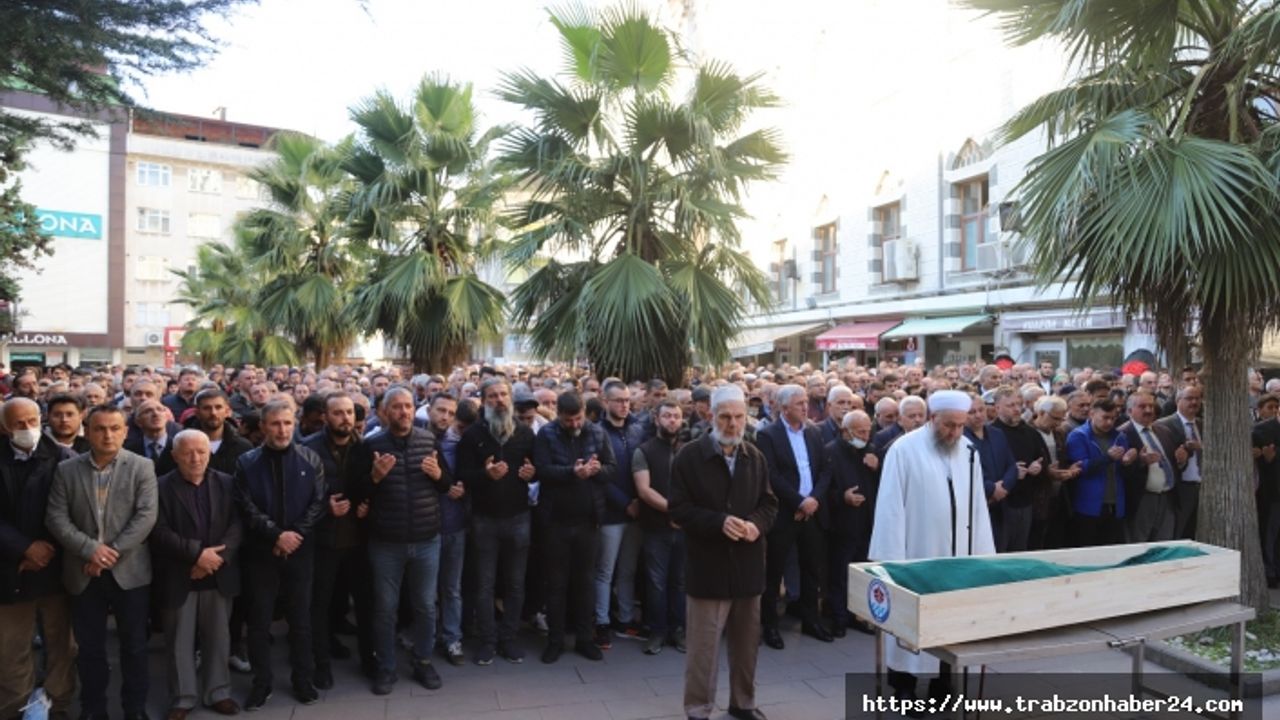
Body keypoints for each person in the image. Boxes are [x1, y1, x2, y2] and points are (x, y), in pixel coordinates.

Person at [868, 390, 995, 702]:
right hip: (916, 554)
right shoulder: (904, 450)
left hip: (957, 559)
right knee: (910, 625)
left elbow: (978, 505)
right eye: (948, 425)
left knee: (947, 625)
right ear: (931, 418)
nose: (954, 432)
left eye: (960, 426)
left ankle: (942, 685)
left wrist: (982, 559)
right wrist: (891, 563)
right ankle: (904, 688)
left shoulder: (968, 451)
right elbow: (890, 508)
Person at [670, 385, 777, 720]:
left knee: (746, 645)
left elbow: (769, 503)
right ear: (710, 416)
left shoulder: (754, 455)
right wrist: (718, 522)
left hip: (747, 565)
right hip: (708, 566)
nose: (733, 424)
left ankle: (743, 703)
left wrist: (755, 525)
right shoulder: (689, 456)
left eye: (739, 417)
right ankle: (699, 709)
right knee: (703, 649)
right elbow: (678, 510)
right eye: (726, 417)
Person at [45, 404, 158, 720]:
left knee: (134, 647)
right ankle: (94, 709)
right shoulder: (67, 469)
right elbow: (56, 517)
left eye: (114, 428)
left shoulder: (142, 467)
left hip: (131, 573)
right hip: (83, 572)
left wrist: (110, 554)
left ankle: (134, 709)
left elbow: (146, 517)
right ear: (87, 430)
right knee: (90, 649)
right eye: (100, 428)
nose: (107, 435)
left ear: (125, 431)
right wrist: (91, 550)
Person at [234, 398, 327, 710]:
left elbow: (318, 503)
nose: (282, 429)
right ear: (263, 427)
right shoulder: (246, 462)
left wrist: (294, 536)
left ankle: (303, 679)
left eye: (287, 423)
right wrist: (276, 535)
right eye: (275, 423)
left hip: (300, 552)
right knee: (259, 622)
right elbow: (245, 506)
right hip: (261, 553)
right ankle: (262, 683)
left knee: (300, 619)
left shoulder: (310, 459)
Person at [361, 386, 450, 694]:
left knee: (426, 605)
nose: (403, 412)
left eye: (408, 406)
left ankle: (423, 661)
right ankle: (386, 667)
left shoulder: (429, 441)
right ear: (385, 412)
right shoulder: (370, 445)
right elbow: (357, 494)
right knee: (386, 608)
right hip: (387, 542)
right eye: (396, 407)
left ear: (415, 409)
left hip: (427, 540)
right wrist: (373, 478)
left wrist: (439, 474)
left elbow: (446, 485)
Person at [150, 430, 243, 719]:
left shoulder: (228, 483)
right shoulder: (160, 486)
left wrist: (216, 558)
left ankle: (218, 692)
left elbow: (238, 525)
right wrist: (196, 554)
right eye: (188, 452)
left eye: (201, 451)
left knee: (218, 637)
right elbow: (157, 530)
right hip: (180, 573)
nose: (195, 458)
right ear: (175, 455)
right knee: (179, 640)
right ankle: (183, 697)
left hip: (218, 572)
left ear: (209, 453)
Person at [0, 398, 77, 720]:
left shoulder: (63, 458)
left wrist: (46, 548)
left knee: (62, 646)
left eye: (33, 421)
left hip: (55, 570)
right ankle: (14, 709)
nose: (28, 429)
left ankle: (58, 705)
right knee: (11, 650)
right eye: (19, 423)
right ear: (5, 427)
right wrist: (23, 548)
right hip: (10, 570)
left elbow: (74, 511)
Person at [457, 378, 537, 665]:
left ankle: (509, 638)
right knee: (484, 584)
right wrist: (485, 475)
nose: (499, 400)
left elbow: (535, 468)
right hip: (484, 520)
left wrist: (532, 474)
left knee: (515, 584)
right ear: (484, 400)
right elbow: (463, 474)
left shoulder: (525, 433)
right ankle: (488, 640)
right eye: (493, 396)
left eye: (504, 394)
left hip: (518, 518)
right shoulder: (473, 435)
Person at [533, 391, 616, 664]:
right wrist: (572, 472)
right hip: (555, 521)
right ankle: (555, 640)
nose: (574, 424)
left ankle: (584, 638)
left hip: (587, 521)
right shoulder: (546, 434)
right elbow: (542, 470)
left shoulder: (597, 433)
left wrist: (595, 471)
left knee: (585, 582)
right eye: (569, 420)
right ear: (558, 416)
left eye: (578, 419)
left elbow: (611, 467)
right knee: (555, 583)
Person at [301, 392, 376, 686]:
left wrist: (368, 500)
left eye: (349, 413)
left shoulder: (366, 447)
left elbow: (371, 487)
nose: (345, 418)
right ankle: (321, 663)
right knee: (320, 605)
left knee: (366, 604)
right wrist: (324, 508)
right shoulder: (307, 449)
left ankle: (369, 660)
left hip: (359, 540)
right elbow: (299, 495)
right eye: (338, 413)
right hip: (324, 540)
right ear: (325, 417)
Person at [754, 384, 831, 648]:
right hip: (785, 513)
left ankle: (811, 620)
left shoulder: (813, 432)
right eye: (799, 403)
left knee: (812, 568)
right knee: (774, 572)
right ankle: (770, 625)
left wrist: (813, 500)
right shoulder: (768, 435)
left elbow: (824, 470)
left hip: (812, 512)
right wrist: (799, 501)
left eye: (806, 402)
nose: (805, 407)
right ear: (784, 408)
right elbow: (771, 475)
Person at [632, 399, 687, 655]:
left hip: (685, 528)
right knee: (656, 582)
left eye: (676, 416)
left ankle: (678, 630)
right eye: (667, 416)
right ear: (657, 419)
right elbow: (644, 490)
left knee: (680, 581)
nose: (672, 420)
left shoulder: (690, 450)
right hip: (656, 528)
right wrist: (671, 510)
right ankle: (657, 631)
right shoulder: (644, 450)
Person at [822, 409, 879, 638]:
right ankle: (838, 618)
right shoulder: (830, 452)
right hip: (842, 524)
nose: (865, 436)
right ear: (845, 432)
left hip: (866, 523)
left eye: (868, 431)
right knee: (839, 574)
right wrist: (842, 497)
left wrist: (877, 467)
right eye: (860, 431)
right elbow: (824, 489)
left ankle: (859, 616)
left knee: (862, 573)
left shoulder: (871, 452)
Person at [1065, 399, 1134, 547]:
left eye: (1113, 418)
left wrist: (1129, 460)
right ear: (1092, 414)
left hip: (1115, 504)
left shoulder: (1119, 437)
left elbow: (1124, 470)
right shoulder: (1079, 436)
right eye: (1105, 418)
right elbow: (1081, 468)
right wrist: (1108, 458)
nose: (1109, 422)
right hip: (1088, 505)